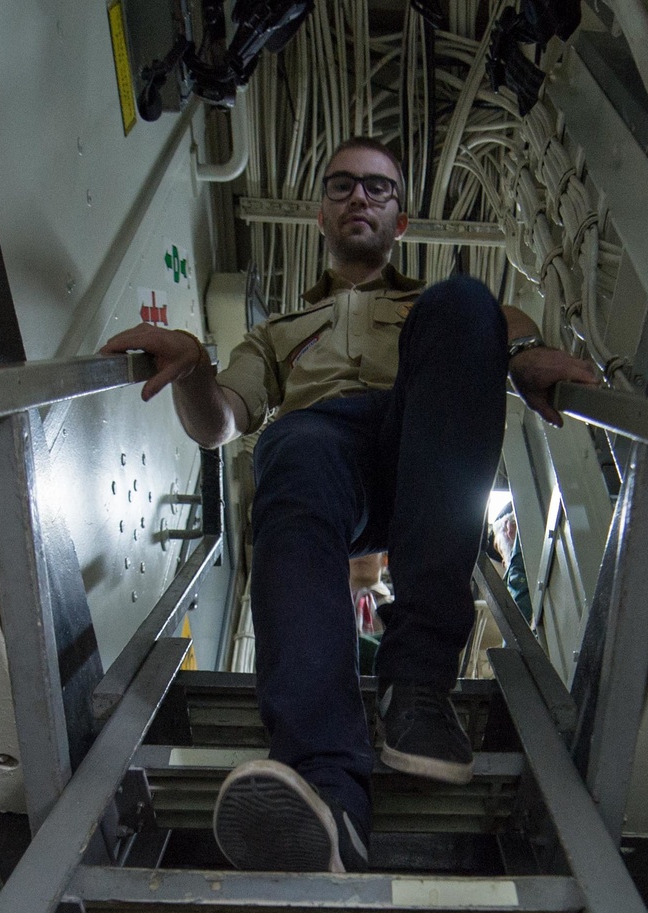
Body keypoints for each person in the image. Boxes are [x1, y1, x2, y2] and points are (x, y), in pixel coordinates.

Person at [101, 136, 597, 874]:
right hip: (322, 457)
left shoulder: (436, 311)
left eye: (378, 188)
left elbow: (506, 326)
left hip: (416, 451)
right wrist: (196, 371)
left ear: (401, 220)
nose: (359, 197)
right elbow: (222, 422)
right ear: (321, 215)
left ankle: (419, 686)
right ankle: (328, 795)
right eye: (342, 187)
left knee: (467, 301)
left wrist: (522, 355)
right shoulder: (276, 333)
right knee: (291, 447)